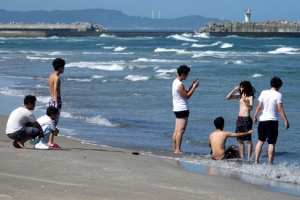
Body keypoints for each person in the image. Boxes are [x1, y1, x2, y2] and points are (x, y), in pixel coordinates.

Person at [253, 76, 289, 165]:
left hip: (262, 120)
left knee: (260, 141)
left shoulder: (263, 92)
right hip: (272, 121)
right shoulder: (278, 94)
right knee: (271, 143)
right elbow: (280, 109)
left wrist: (255, 116)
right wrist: (286, 120)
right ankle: (270, 163)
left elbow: (259, 106)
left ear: (271, 84)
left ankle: (256, 161)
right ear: (279, 86)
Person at [172, 65, 199, 154]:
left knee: (177, 130)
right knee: (181, 130)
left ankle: (175, 148)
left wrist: (192, 85)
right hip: (182, 108)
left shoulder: (175, 82)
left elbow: (184, 92)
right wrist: (194, 88)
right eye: (186, 74)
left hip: (177, 108)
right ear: (183, 74)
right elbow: (187, 96)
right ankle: (178, 149)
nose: (187, 76)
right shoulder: (179, 84)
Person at [226, 81, 256, 159]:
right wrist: (234, 90)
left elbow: (250, 107)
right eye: (240, 87)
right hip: (239, 118)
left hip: (246, 118)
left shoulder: (250, 96)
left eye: (242, 87)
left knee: (248, 140)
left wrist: (245, 100)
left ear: (246, 87)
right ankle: (242, 156)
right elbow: (228, 97)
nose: (241, 88)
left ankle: (249, 157)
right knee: (239, 139)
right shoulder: (239, 95)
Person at [48, 58, 65, 127]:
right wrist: (57, 103)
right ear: (60, 67)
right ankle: (50, 137)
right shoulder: (56, 78)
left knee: (51, 121)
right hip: (55, 100)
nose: (64, 69)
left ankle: (49, 137)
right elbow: (56, 90)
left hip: (51, 99)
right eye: (63, 67)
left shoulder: (51, 76)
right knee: (54, 122)